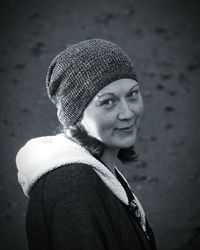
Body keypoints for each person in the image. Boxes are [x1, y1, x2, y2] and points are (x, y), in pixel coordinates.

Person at [16, 39, 157, 250]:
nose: (128, 113)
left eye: (132, 94)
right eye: (107, 102)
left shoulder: (96, 174)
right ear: (76, 113)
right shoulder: (71, 188)